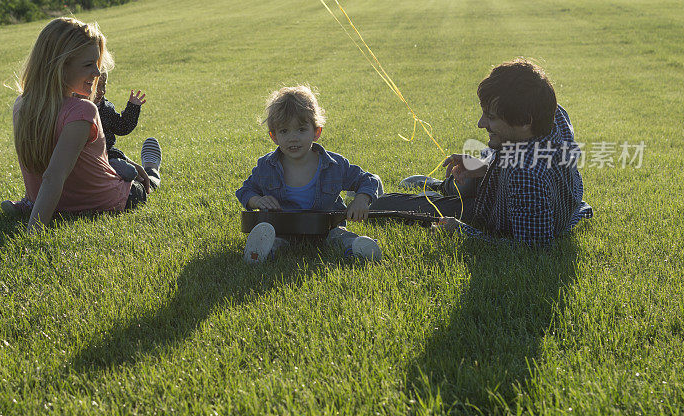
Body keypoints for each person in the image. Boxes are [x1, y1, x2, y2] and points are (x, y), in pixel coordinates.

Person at [374, 59, 592, 244]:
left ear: (526, 120)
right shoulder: (553, 113)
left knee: (385, 204)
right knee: (473, 171)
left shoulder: (525, 173)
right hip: (530, 193)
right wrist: (484, 168)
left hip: (494, 209)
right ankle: (442, 185)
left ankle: (440, 189)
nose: (480, 124)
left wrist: (461, 230)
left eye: (492, 117)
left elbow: (532, 247)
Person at [5, 17, 162, 233]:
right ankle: (152, 169)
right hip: (106, 200)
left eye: (96, 64)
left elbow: (75, 164)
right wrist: (34, 231)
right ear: (59, 66)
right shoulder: (82, 111)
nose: (97, 73)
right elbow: (54, 176)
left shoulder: (22, 104)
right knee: (145, 183)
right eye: (89, 65)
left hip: (54, 206)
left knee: (126, 168)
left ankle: (134, 166)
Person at [236, 85, 384, 263]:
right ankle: (261, 253)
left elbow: (368, 179)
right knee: (276, 240)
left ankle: (357, 249)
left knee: (340, 238)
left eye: (301, 129)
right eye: (284, 131)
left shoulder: (334, 165)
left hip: (327, 228)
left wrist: (361, 199)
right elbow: (246, 190)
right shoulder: (267, 167)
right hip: (284, 228)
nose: (293, 138)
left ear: (316, 132)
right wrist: (257, 200)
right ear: (273, 136)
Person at [92, 70, 147, 182]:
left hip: (109, 155)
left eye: (104, 86)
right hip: (89, 158)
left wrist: (133, 108)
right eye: (96, 85)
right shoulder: (76, 107)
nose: (101, 91)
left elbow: (122, 127)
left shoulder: (106, 108)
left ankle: (141, 183)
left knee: (129, 171)